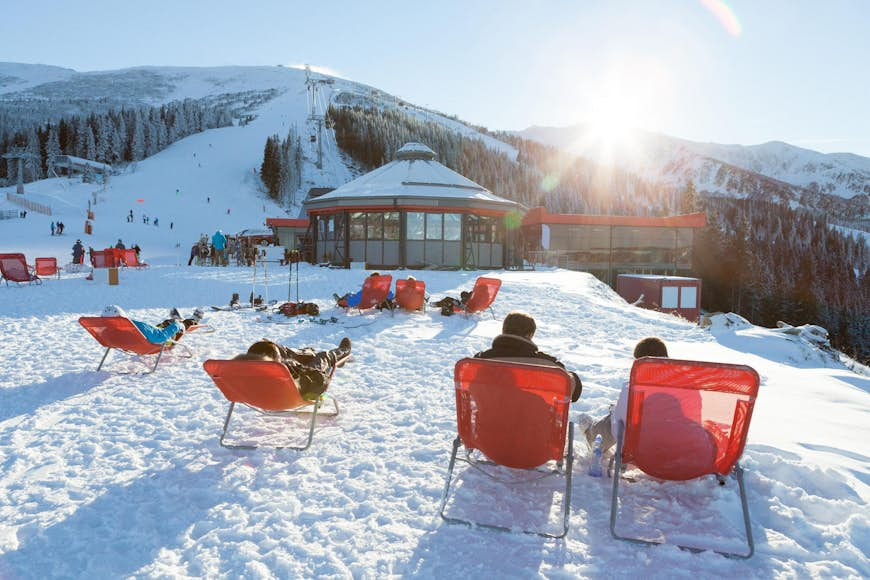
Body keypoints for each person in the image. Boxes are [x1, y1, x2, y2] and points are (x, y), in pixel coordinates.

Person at [474, 311, 583, 403]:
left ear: (504, 330)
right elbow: (574, 392)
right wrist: (572, 376)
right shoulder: (548, 365)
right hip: (537, 427)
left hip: (487, 425)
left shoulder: (479, 361)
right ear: (530, 335)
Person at [582, 337, 669, 452]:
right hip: (671, 441)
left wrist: (615, 411)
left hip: (639, 446)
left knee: (614, 421)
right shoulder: (682, 386)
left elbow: (621, 419)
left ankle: (591, 434)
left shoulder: (634, 387)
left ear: (640, 363)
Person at [233, 337, 352, 401]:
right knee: (323, 356)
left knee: (278, 348)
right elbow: (316, 384)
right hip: (295, 390)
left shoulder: (242, 370)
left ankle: (308, 352)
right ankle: (344, 352)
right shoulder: (278, 371)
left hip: (260, 395)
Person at [101, 305, 204, 344]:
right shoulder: (132, 325)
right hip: (163, 340)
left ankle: (175, 320)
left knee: (165, 324)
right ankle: (192, 320)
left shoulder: (108, 333)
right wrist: (177, 326)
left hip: (141, 339)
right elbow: (160, 338)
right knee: (178, 325)